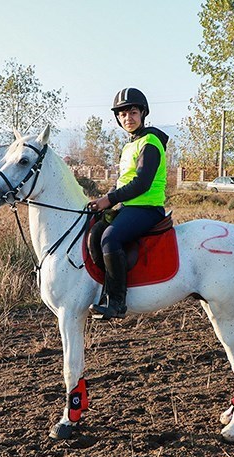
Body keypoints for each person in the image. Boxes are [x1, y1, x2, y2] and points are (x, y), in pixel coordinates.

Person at [87, 87, 169, 320]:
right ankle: (104, 290)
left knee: (110, 237)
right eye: (122, 115)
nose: (127, 118)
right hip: (128, 206)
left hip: (147, 208)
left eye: (132, 112)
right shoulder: (129, 146)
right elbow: (123, 181)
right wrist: (103, 200)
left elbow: (142, 183)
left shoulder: (150, 141)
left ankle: (117, 303)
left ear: (143, 113)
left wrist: (109, 200)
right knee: (95, 232)